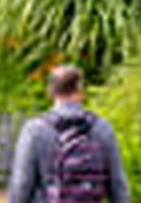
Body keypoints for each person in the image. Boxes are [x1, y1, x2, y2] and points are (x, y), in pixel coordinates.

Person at [9, 64, 130, 203]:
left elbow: (21, 185)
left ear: (50, 92)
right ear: (80, 91)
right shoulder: (102, 128)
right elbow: (118, 185)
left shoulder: (35, 130)